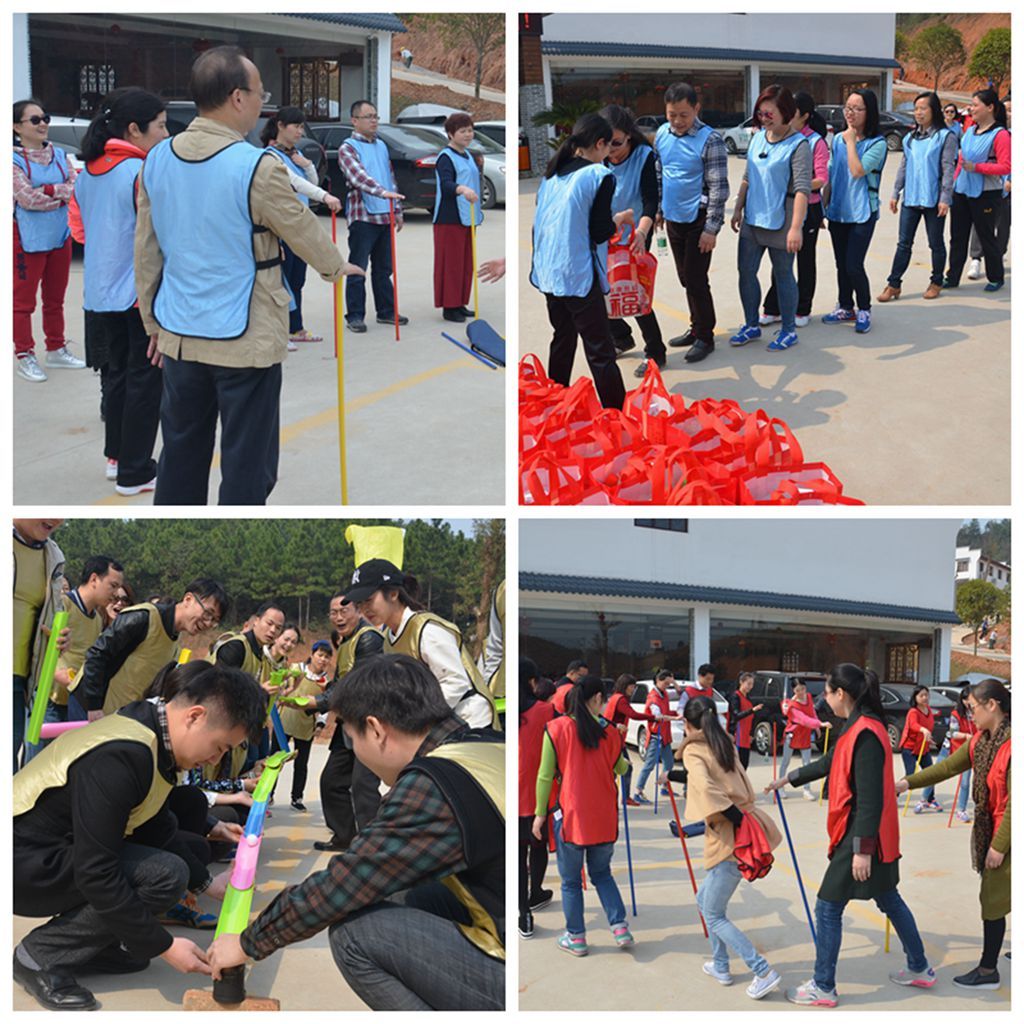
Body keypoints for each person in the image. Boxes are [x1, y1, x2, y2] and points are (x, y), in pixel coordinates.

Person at [209, 654, 505, 1010]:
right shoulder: (485, 743)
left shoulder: (433, 786)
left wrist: (245, 943)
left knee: (356, 934)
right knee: (396, 890)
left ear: (377, 730)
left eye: (350, 739)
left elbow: (344, 883)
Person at [134, 46, 360, 506]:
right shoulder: (256, 166)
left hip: (180, 335)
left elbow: (146, 251)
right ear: (238, 97)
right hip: (246, 338)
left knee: (180, 454)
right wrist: (336, 267)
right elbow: (298, 227)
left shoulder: (157, 159)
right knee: (247, 463)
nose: (263, 103)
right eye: (261, 93)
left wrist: (152, 325)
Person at [13, 661, 266, 1010]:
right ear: (194, 716)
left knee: (183, 854)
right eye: (221, 746)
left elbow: (153, 823)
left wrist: (206, 883)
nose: (214, 759)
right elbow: (95, 871)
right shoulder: (121, 755)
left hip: (47, 851)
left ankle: (91, 947)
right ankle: (39, 955)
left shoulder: (151, 733)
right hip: (22, 863)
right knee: (165, 874)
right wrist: (162, 945)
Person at [765, 664, 935, 1006]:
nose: (824, 699)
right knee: (889, 899)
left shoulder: (868, 732)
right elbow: (832, 760)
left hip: (863, 834)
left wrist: (861, 850)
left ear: (841, 693)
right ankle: (919, 967)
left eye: (827, 692)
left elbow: (871, 799)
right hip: (870, 834)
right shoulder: (856, 726)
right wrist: (791, 777)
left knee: (827, 906)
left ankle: (823, 985)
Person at [72, 88, 167, 494]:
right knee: (145, 379)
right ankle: (135, 471)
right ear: (134, 129)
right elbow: (158, 235)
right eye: (160, 126)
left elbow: (78, 230)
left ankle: (116, 458)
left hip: (99, 291)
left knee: (116, 376)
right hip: (136, 292)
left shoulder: (88, 172)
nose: (165, 134)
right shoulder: (138, 172)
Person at [896, 679, 1010, 991]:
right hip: (992, 829)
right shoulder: (980, 742)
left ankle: (988, 970)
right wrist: (906, 783)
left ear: (992, 705)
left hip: (1007, 834)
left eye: (972, 708)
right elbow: (946, 768)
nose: (969, 714)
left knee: (993, 900)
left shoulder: (1013, 745)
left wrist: (999, 846)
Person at [683, 695, 782, 998]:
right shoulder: (723, 742)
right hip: (741, 826)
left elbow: (707, 786)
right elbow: (722, 781)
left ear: (687, 724)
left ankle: (762, 970)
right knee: (705, 901)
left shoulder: (694, 750)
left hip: (733, 835)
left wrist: (735, 818)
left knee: (713, 913)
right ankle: (721, 964)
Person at [529, 112, 629, 409]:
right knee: (600, 350)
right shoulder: (598, 175)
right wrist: (620, 220)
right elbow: (600, 231)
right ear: (599, 144)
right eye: (609, 146)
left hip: (549, 272)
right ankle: (617, 415)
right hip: (577, 274)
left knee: (562, 338)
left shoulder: (552, 176)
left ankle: (554, 402)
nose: (611, 152)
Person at [533, 674, 632, 956]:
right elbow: (621, 769)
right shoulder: (610, 733)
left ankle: (576, 937)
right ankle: (620, 927)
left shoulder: (555, 729)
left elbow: (544, 777)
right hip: (604, 818)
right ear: (598, 699)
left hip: (571, 818)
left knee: (571, 881)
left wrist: (540, 815)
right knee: (602, 874)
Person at [346, 558, 499, 729]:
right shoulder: (389, 637)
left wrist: (416, 717)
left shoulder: (427, 630)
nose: (364, 609)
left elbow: (455, 683)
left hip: (470, 721)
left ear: (393, 594)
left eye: (369, 599)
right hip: (437, 722)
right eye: (359, 603)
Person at [729, 85, 810, 353]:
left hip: (782, 220)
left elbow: (802, 189)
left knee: (784, 274)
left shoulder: (799, 144)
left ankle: (788, 330)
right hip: (753, 218)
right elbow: (748, 175)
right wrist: (738, 207)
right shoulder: (758, 138)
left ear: (786, 112)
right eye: (761, 114)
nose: (764, 119)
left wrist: (796, 228)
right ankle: (751, 324)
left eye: (769, 114)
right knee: (746, 272)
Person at [655, 82, 729, 364]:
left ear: (696, 109)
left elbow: (718, 187)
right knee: (685, 277)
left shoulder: (710, 140)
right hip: (673, 218)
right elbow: (660, 172)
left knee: (697, 280)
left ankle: (705, 337)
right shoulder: (663, 134)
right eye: (672, 114)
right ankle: (696, 326)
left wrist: (711, 229)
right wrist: (661, 208)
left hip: (699, 219)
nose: (677, 121)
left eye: (684, 114)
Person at [13, 98, 86, 383]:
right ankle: (24, 354)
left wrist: (47, 188)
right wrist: (58, 193)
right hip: (26, 241)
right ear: (17, 127)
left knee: (54, 299)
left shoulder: (58, 154)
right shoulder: (12, 160)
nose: (42, 124)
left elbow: (75, 187)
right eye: (34, 120)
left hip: (59, 237)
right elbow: (27, 199)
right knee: (23, 302)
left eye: (43, 118)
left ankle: (55, 347)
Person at [79, 579, 228, 716]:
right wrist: (93, 706)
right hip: (88, 705)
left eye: (214, 621)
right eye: (208, 613)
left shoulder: (175, 641)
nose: (208, 623)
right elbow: (97, 654)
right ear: (188, 599)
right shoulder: (144, 618)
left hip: (116, 715)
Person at [306, 594, 384, 852]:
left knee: (363, 787)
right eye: (332, 613)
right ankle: (345, 837)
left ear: (359, 610)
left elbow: (358, 684)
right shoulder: (348, 641)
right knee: (331, 782)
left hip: (368, 725)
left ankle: (371, 849)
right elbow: (340, 683)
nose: (338, 617)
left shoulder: (369, 639)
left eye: (343, 611)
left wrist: (318, 702)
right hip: (347, 724)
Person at [260, 106, 342, 347]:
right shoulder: (271, 156)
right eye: (296, 126)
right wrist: (326, 196)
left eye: (301, 126)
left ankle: (296, 328)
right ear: (280, 126)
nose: (300, 131)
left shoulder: (293, 154)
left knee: (297, 280)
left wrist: (306, 164)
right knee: (282, 281)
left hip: (299, 226)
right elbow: (295, 184)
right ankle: (280, 330)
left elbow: (310, 182)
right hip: (283, 227)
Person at [601, 104, 666, 377]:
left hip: (636, 232)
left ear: (629, 135)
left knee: (634, 291)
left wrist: (641, 232)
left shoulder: (644, 157)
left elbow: (651, 200)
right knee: (603, 290)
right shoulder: (599, 158)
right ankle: (621, 337)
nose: (611, 150)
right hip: (605, 234)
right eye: (605, 144)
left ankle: (655, 351)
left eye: (616, 143)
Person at [878, 92, 956, 303]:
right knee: (903, 244)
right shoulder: (909, 138)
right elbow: (904, 167)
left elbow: (948, 169)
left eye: (923, 108)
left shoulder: (945, 137)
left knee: (936, 244)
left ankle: (936, 281)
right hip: (911, 199)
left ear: (934, 111)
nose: (918, 113)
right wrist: (895, 192)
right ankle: (894, 284)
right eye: (916, 108)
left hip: (933, 201)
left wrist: (945, 198)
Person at [821, 89, 887, 335]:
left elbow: (858, 170)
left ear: (869, 113)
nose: (850, 113)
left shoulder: (877, 144)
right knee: (841, 264)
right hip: (838, 211)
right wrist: (822, 207)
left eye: (857, 109)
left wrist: (850, 141)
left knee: (854, 264)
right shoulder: (837, 140)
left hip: (862, 212)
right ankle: (845, 306)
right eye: (847, 107)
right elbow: (832, 173)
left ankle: (864, 308)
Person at [339, 99, 407, 333]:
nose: (374, 121)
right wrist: (382, 192)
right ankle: (355, 315)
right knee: (358, 267)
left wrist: (396, 209)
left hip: (385, 215)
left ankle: (386, 311)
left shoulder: (381, 146)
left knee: (384, 268)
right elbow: (358, 177)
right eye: (368, 117)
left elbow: (390, 177)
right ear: (354, 120)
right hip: (363, 217)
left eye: (376, 116)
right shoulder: (347, 148)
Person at [762, 93, 829, 329]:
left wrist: (795, 184)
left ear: (805, 116)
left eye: (793, 111)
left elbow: (821, 178)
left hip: (808, 208)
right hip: (782, 207)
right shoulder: (780, 137)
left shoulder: (816, 142)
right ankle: (773, 307)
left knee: (805, 260)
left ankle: (803, 308)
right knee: (780, 260)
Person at [48, 555, 126, 731]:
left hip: (74, 703)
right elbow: (41, 648)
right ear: (94, 579)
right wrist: (55, 674)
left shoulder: (97, 619)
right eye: (113, 586)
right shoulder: (63, 605)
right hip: (49, 702)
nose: (116, 594)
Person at [13, 518, 67, 769]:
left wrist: (53, 639)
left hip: (19, 679)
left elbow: (46, 615)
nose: (56, 519)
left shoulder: (53, 555)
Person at [945, 89, 1010, 293]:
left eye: (975, 104)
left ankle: (995, 277)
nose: (970, 108)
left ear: (990, 107)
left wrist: (979, 168)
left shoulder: (1000, 135)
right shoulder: (970, 131)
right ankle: (952, 276)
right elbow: (961, 160)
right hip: (962, 191)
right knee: (958, 236)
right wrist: (954, 182)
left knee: (986, 236)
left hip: (986, 193)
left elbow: (1006, 166)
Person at [432, 112, 482, 323]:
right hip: (449, 217)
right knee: (451, 263)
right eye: (462, 131)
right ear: (451, 134)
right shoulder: (445, 157)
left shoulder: (467, 154)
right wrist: (461, 189)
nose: (467, 135)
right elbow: (446, 183)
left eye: (470, 130)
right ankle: (449, 306)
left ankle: (460, 302)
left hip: (468, 215)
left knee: (465, 263)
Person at [519, 657, 556, 938]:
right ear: (533, 681)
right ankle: (536, 893)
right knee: (538, 846)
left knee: (517, 857)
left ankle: (524, 916)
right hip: (539, 797)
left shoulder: (503, 709)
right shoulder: (547, 710)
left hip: (509, 796)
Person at [276, 639, 332, 811]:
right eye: (320, 655)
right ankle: (267, 796)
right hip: (284, 721)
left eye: (327, 657)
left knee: (301, 764)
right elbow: (281, 688)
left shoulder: (325, 681)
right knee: (275, 760)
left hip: (306, 724)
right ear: (312, 654)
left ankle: (297, 798)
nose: (323, 659)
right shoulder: (296, 669)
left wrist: (320, 725)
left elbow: (324, 706)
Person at [603, 672, 657, 804]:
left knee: (620, 770)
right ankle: (614, 798)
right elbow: (633, 714)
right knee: (616, 771)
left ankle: (620, 798)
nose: (633, 690)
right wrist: (653, 717)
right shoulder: (620, 700)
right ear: (625, 686)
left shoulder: (616, 697)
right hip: (614, 740)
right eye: (631, 687)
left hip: (615, 739)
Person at [632, 669, 679, 803]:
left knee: (669, 763)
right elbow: (658, 716)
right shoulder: (653, 698)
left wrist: (673, 682)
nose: (666, 686)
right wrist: (675, 718)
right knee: (649, 765)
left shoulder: (664, 694)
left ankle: (665, 786)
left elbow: (678, 696)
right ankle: (638, 792)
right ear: (658, 681)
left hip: (665, 736)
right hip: (655, 736)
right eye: (665, 683)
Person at [777, 680, 823, 799]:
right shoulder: (792, 705)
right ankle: (780, 787)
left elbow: (812, 712)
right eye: (798, 690)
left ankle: (806, 790)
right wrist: (819, 724)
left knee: (806, 763)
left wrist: (817, 727)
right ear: (793, 690)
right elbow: (804, 719)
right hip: (792, 734)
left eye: (803, 689)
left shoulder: (808, 697)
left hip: (805, 733)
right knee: (785, 762)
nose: (801, 692)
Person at [937, 684, 977, 822]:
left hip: (966, 751)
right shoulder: (956, 714)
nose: (968, 702)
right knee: (935, 773)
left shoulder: (978, 712)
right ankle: (925, 799)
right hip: (950, 748)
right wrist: (966, 736)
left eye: (971, 699)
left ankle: (962, 809)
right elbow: (953, 732)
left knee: (965, 783)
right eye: (965, 699)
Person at [899, 685, 941, 813]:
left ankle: (930, 799)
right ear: (915, 697)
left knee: (930, 774)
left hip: (923, 748)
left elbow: (929, 727)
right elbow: (913, 725)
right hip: (910, 749)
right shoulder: (913, 712)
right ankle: (894, 792)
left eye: (926, 695)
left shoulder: (928, 710)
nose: (924, 698)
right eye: (921, 695)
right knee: (911, 775)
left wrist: (929, 737)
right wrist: (923, 729)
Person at [727, 671, 763, 769]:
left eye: (752, 684)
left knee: (744, 764)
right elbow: (736, 715)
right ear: (741, 682)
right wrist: (752, 710)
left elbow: (752, 719)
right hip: (737, 735)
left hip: (746, 737)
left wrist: (751, 734)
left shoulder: (748, 698)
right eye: (748, 684)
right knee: (737, 766)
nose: (750, 687)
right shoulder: (735, 697)